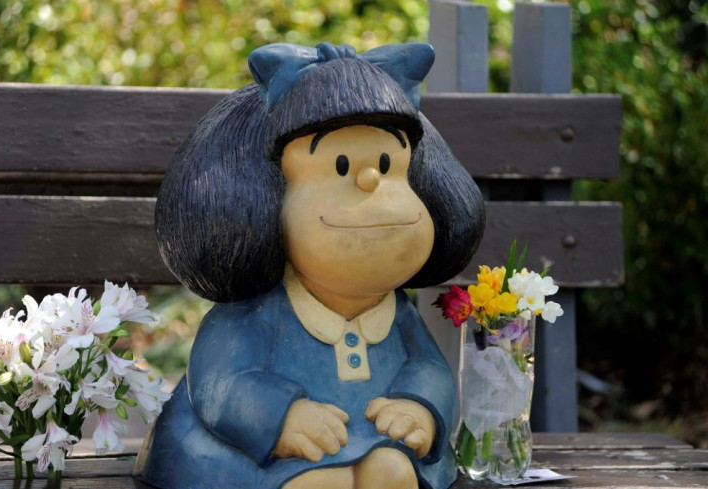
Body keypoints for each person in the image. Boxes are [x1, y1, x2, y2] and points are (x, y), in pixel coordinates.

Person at [134, 42, 485, 489]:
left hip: (378, 440)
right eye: (341, 165)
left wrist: (419, 408)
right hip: (264, 451)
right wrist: (280, 417)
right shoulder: (253, 314)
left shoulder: (396, 313)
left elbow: (428, 367)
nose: (370, 181)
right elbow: (222, 381)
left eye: (386, 164)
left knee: (393, 473)